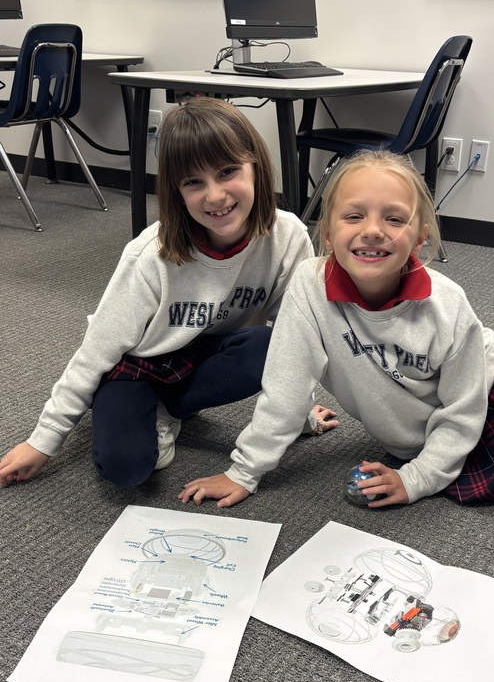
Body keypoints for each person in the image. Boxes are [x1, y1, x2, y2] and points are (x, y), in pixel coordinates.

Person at [179, 148, 494, 509]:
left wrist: (417, 479)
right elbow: (286, 386)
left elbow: (464, 408)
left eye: (394, 218)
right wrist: (243, 472)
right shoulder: (309, 286)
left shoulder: (447, 302)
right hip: (433, 441)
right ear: (330, 234)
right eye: (354, 216)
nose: (372, 229)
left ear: (420, 237)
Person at [0, 98, 336, 490]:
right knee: (126, 470)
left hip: (207, 353)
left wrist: (300, 411)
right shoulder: (150, 255)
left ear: (256, 167)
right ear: (176, 191)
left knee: (270, 344)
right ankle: (142, 405)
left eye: (228, 172)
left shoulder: (288, 235)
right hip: (138, 364)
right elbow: (96, 350)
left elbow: (298, 337)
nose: (215, 196)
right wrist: (43, 441)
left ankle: (171, 407)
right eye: (194, 182)